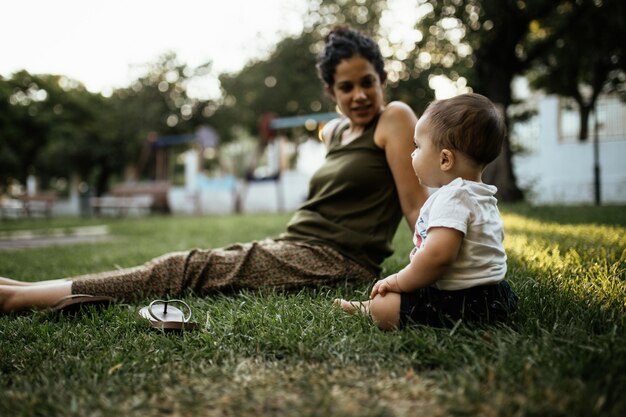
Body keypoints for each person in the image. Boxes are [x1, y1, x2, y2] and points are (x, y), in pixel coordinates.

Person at [0, 26, 428, 314]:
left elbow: (415, 206)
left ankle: (19, 297)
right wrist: (339, 128)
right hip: (297, 248)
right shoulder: (338, 133)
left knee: (186, 268)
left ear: (382, 79)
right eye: (345, 87)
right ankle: (23, 287)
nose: (359, 95)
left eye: (367, 82)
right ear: (331, 91)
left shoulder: (395, 118)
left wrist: (429, 270)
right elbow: (332, 134)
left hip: (336, 261)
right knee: (195, 265)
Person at [335, 93, 518, 330]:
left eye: (418, 146)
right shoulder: (480, 195)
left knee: (385, 304)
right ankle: (368, 306)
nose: (412, 154)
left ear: (445, 160)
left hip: (465, 301)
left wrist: (398, 281)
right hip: (496, 295)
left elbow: (437, 257)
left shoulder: (452, 198)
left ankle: (368, 309)